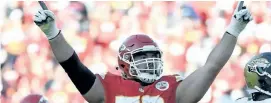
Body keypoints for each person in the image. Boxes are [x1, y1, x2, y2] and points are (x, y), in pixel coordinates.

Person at [33, 1, 252, 103]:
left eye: (153, 56)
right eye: (142, 56)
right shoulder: (108, 87)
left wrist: (233, 30)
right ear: (125, 62)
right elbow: (73, 66)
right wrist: (53, 33)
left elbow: (212, 67)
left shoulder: (172, 88)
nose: (149, 61)